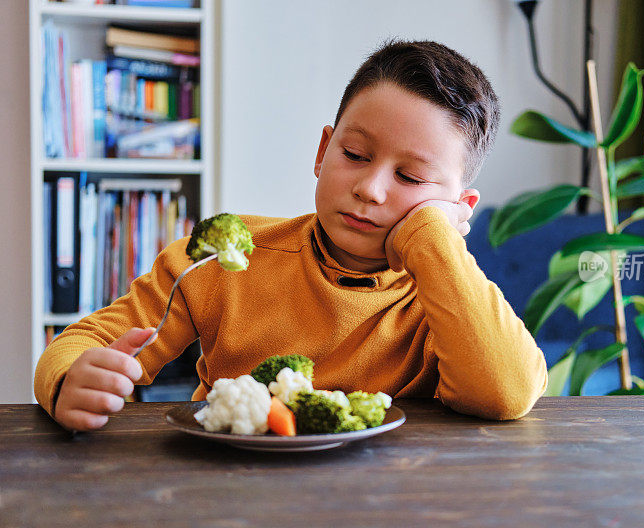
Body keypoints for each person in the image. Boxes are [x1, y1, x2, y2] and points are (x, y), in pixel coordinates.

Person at [35, 39, 548, 432]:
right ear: (324, 150)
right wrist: (67, 381)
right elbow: (87, 340)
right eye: (354, 155)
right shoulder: (228, 258)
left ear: (461, 208)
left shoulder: (446, 298)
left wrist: (435, 239)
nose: (369, 188)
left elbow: (506, 392)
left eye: (410, 178)